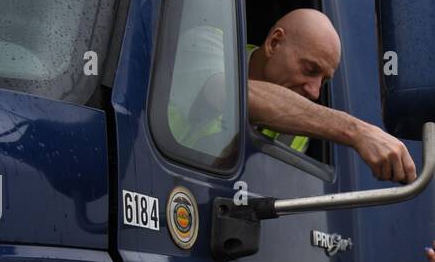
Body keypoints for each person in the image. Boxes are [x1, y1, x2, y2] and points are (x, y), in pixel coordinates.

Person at [169, 9, 416, 182]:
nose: (314, 92)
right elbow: (226, 93)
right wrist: (356, 131)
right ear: (274, 43)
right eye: (310, 70)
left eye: (324, 81)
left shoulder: (298, 129)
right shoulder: (207, 45)